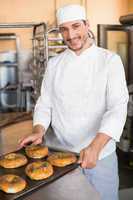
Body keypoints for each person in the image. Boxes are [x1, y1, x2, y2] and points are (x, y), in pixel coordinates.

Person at [19, 4, 129, 200]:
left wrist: (95, 146)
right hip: (59, 155)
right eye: (64, 29)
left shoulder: (109, 61)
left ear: (87, 25)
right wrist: (38, 130)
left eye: (76, 26)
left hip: (100, 157)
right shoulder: (55, 64)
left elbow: (117, 108)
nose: (70, 35)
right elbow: (45, 103)